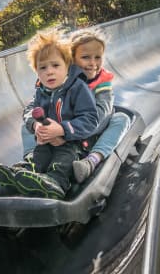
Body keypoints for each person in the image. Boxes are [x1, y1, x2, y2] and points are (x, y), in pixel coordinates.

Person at [0, 28, 98, 199]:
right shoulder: (42, 91)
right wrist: (37, 126)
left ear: (67, 66)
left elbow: (90, 119)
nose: (49, 71)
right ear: (37, 72)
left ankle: (56, 181)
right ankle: (24, 173)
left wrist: (62, 130)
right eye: (43, 68)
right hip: (47, 142)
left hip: (74, 143)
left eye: (55, 65)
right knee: (39, 155)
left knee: (63, 159)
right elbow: (30, 112)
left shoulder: (78, 88)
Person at [17, 28, 130, 184]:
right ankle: (31, 160)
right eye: (85, 57)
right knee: (26, 126)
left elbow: (97, 118)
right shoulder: (57, 80)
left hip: (89, 134)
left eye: (98, 57)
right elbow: (32, 108)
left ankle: (92, 160)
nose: (93, 63)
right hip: (58, 132)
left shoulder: (101, 84)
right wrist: (39, 125)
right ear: (70, 60)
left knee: (121, 119)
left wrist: (63, 132)